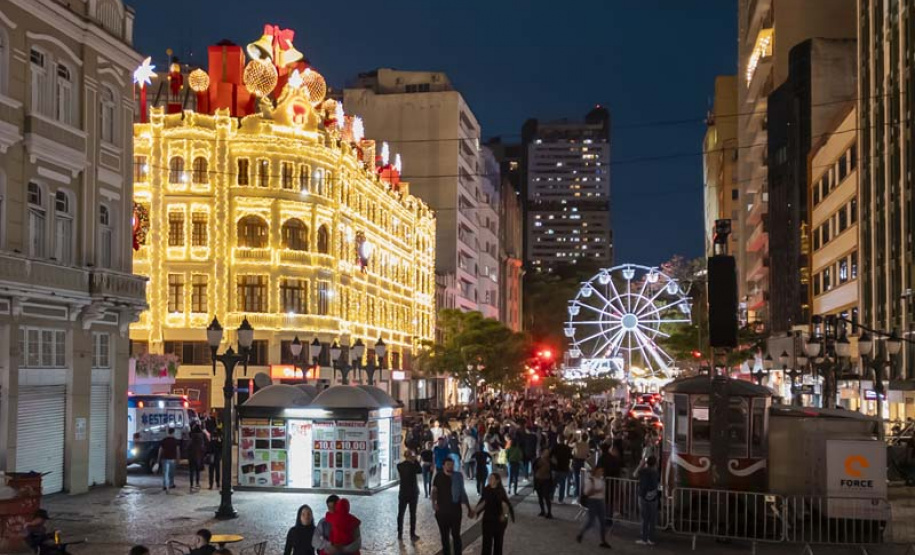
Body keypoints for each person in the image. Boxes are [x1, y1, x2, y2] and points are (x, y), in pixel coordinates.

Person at [432, 457, 474, 555]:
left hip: (455, 511)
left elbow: (462, 493)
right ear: (443, 466)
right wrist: (433, 503)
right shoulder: (438, 476)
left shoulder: (458, 476)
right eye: (448, 464)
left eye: (452, 464)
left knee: (456, 535)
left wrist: (468, 508)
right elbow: (434, 491)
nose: (450, 466)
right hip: (442, 512)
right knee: (444, 537)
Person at [473, 473, 515, 555]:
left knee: (498, 543)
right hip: (488, 519)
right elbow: (483, 502)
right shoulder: (486, 489)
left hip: (499, 520)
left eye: (491, 478)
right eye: (489, 478)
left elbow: (505, 505)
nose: (489, 480)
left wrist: (505, 516)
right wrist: (475, 511)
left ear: (497, 480)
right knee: (486, 543)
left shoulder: (500, 491)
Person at [576, 466, 611, 549]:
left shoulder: (602, 480)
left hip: (600, 501)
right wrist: (596, 491)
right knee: (591, 521)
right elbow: (586, 493)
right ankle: (581, 534)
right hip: (592, 501)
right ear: (595, 472)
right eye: (599, 471)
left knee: (602, 522)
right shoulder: (590, 480)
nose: (600, 473)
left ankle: (603, 540)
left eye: (601, 471)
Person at [396, 450, 422, 542]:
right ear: (411, 456)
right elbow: (420, 470)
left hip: (403, 492)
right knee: (412, 514)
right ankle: (412, 534)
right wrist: (416, 460)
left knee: (400, 514)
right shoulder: (414, 466)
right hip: (413, 493)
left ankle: (400, 533)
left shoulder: (399, 466)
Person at [635, 455, 660, 546]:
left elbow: (634, 474)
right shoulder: (656, 472)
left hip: (643, 496)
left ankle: (644, 538)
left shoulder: (643, 471)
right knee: (652, 519)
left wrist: (641, 464)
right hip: (653, 498)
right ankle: (651, 538)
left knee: (644, 519)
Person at [533, 448, 554, 518]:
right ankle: (542, 511)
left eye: (547, 452)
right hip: (538, 479)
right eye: (545, 452)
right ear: (542, 453)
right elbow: (534, 469)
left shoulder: (550, 460)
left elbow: (553, 468)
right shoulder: (537, 460)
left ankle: (549, 512)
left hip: (546, 480)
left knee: (546, 496)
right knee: (540, 496)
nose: (547, 454)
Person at [551, 437, 573, 504]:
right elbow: (571, 457)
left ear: (558, 439)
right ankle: (561, 499)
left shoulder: (555, 447)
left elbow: (550, 455)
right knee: (562, 484)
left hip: (555, 468)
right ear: (564, 440)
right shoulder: (567, 448)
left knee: (553, 484)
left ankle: (550, 498)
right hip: (564, 468)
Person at [157, 427, 179, 492]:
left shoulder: (164, 440)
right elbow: (178, 450)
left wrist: (158, 459)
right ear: (173, 432)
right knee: (171, 473)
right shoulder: (175, 440)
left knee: (165, 473)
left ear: (168, 432)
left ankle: (164, 485)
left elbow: (160, 450)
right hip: (172, 459)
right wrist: (178, 459)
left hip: (164, 458)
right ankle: (171, 484)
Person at [188, 424, 207, 491]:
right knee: (197, 471)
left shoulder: (191, 437)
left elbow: (188, 447)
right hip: (198, 456)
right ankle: (197, 483)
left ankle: (191, 485)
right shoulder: (202, 437)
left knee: (191, 471)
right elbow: (205, 446)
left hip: (191, 456)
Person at [571, 432, 590, 497]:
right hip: (583, 462)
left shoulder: (577, 444)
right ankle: (580, 493)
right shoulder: (587, 445)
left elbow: (568, 445)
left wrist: (573, 437)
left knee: (576, 478)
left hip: (576, 461)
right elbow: (588, 454)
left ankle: (576, 494)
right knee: (581, 478)